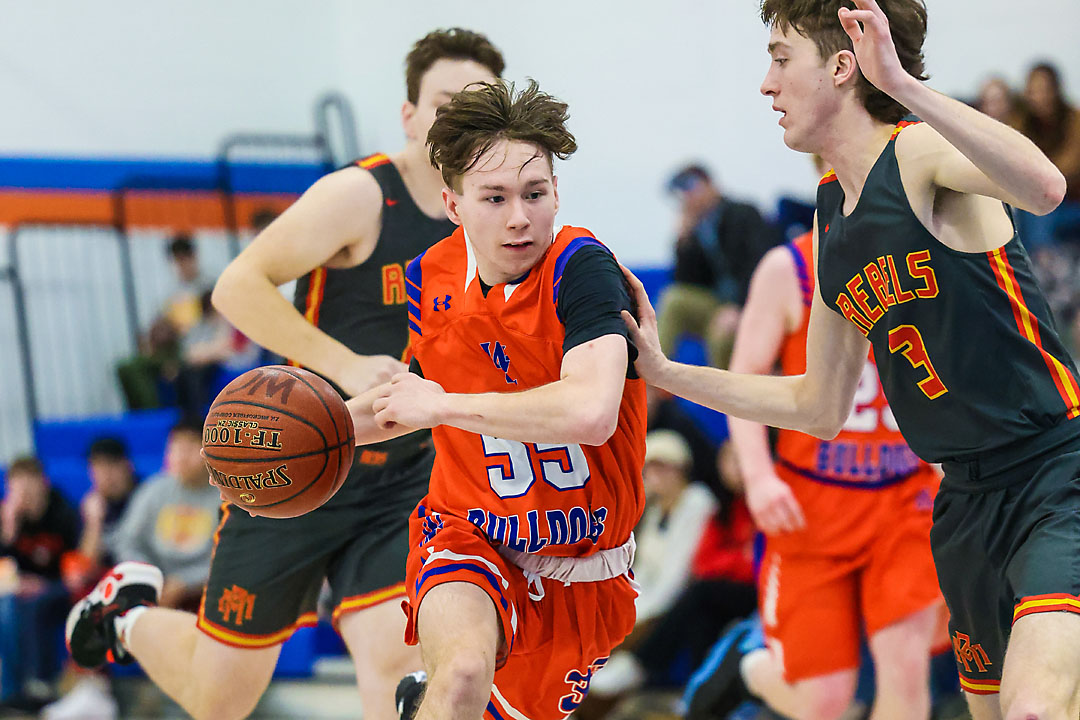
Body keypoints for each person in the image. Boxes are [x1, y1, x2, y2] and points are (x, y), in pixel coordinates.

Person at [620, 1, 1078, 718]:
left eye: (779, 58)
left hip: (1054, 471)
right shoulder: (829, 213)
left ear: (842, 66)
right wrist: (665, 372)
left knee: (1036, 709)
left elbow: (1045, 186)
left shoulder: (918, 151)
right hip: (962, 501)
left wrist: (901, 83)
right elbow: (817, 406)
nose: (765, 84)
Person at [64, 28, 505, 720]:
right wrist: (346, 365)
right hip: (299, 468)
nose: (460, 118)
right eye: (445, 102)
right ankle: (124, 615)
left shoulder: (491, 214)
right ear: (410, 115)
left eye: (478, 104)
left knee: (397, 659)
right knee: (221, 699)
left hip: (404, 479)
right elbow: (237, 287)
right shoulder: (360, 195)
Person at [362, 78, 646, 720]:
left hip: (587, 571)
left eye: (535, 193)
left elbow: (591, 412)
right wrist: (311, 438)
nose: (520, 216)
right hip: (466, 536)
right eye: (494, 197)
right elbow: (403, 401)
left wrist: (444, 407)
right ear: (454, 204)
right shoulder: (429, 280)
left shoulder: (582, 268)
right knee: (463, 673)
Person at [684, 225, 943, 720]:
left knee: (907, 674)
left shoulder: (932, 255)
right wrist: (758, 478)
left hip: (903, 500)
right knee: (823, 704)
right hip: (811, 509)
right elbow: (743, 384)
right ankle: (750, 667)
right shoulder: (791, 269)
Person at [40, 438, 139, 720]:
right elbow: (84, 564)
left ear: (126, 466)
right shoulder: (93, 504)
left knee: (91, 592)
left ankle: (94, 691)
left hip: (139, 578)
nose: (104, 475)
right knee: (74, 589)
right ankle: (73, 688)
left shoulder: (143, 497)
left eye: (110, 466)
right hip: (104, 583)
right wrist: (94, 522)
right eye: (96, 468)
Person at [656, 164, 780, 370]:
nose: (688, 196)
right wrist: (683, 241)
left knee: (721, 333)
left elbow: (760, 264)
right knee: (674, 299)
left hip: (752, 303)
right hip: (717, 304)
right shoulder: (698, 228)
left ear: (710, 185)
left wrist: (739, 306)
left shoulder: (743, 213)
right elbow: (684, 281)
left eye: (692, 187)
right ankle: (651, 380)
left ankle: (725, 399)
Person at [0, 456, 80, 710]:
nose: (23, 494)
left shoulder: (63, 512)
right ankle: (13, 690)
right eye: (16, 487)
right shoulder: (8, 517)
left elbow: (77, 568)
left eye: (28, 485)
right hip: (20, 589)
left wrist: (43, 585)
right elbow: (4, 570)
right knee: (8, 605)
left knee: (34, 603)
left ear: (43, 483)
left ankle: (40, 684)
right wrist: (9, 530)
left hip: (60, 586)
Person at [116, 233, 216, 410]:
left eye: (185, 259)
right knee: (127, 368)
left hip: (196, 349)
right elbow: (159, 323)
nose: (182, 265)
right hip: (171, 351)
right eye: (177, 261)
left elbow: (213, 327)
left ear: (194, 257)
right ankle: (149, 414)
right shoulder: (172, 292)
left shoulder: (209, 287)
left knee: (186, 371)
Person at [1015, 62, 1080, 249]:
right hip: (1038, 200)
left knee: (1040, 209)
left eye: (1045, 90)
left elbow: (1071, 165)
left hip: (1071, 202)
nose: (1040, 97)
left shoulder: (1074, 119)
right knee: (1026, 210)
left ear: (1056, 90)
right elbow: (1014, 159)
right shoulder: (1022, 121)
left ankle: (1043, 265)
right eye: (1034, 91)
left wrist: (1039, 176)